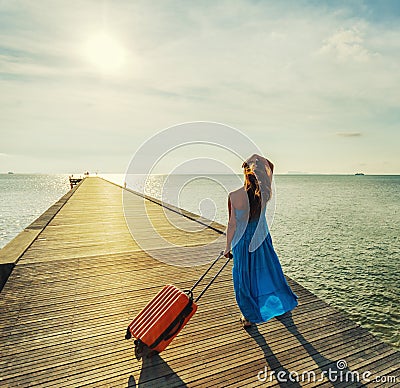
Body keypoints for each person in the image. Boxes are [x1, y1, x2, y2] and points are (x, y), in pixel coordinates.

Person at [224, 154, 298, 328]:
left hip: (242, 244)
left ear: (245, 173)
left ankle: (248, 316)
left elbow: (232, 224)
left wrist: (227, 248)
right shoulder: (264, 194)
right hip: (261, 241)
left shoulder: (234, 196)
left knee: (243, 278)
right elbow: (270, 166)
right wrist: (255, 157)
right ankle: (279, 306)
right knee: (269, 273)